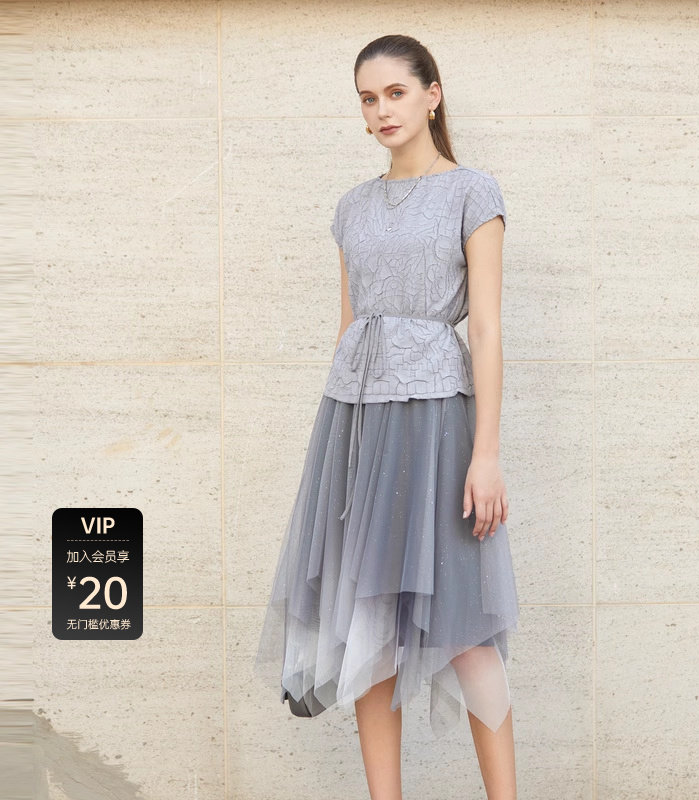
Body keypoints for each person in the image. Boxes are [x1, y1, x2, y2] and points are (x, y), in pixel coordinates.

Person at [254, 33, 520, 800]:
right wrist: (341, 456)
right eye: (368, 99)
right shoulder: (352, 207)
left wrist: (486, 453)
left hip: (438, 426)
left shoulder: (473, 192)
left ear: (432, 95)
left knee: (465, 629)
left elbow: (487, 329)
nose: (381, 111)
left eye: (395, 93)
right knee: (365, 627)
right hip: (357, 427)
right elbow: (350, 326)